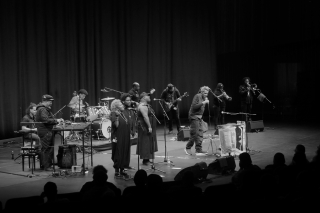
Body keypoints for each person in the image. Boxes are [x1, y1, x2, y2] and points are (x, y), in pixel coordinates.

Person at [110, 96, 135, 179]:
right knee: (118, 152)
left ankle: (123, 169)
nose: (122, 104)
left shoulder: (124, 112)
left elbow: (128, 123)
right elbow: (116, 125)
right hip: (118, 136)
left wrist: (131, 131)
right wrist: (117, 117)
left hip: (125, 135)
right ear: (116, 106)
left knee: (125, 151)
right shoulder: (114, 113)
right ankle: (117, 170)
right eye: (120, 103)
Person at [35, 95, 63, 171]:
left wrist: (55, 120)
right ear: (45, 101)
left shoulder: (43, 109)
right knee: (46, 149)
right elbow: (46, 120)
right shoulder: (43, 109)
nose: (51, 103)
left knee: (47, 149)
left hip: (45, 131)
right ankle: (46, 166)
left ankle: (46, 165)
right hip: (45, 132)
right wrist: (56, 121)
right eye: (50, 102)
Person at [184, 86, 210, 156]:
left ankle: (198, 149)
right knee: (194, 133)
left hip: (199, 117)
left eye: (207, 93)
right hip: (194, 116)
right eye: (205, 93)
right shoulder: (197, 96)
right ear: (201, 92)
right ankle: (187, 147)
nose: (206, 95)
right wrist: (203, 103)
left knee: (200, 134)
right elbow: (194, 107)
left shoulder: (204, 98)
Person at [136, 92, 158, 165]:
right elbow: (145, 117)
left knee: (148, 142)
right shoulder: (142, 106)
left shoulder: (146, 105)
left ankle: (148, 158)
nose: (149, 97)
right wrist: (149, 127)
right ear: (143, 98)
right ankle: (145, 160)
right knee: (145, 142)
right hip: (144, 127)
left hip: (147, 126)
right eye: (147, 96)